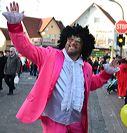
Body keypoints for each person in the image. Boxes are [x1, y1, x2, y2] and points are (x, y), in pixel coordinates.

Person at [2, 2, 119, 133]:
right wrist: (15, 26)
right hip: (54, 122)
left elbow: (92, 83)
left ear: (84, 46)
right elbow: (26, 48)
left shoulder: (86, 67)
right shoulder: (50, 55)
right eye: (70, 38)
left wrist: (107, 73)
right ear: (65, 40)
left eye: (78, 41)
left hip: (77, 123)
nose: (73, 42)